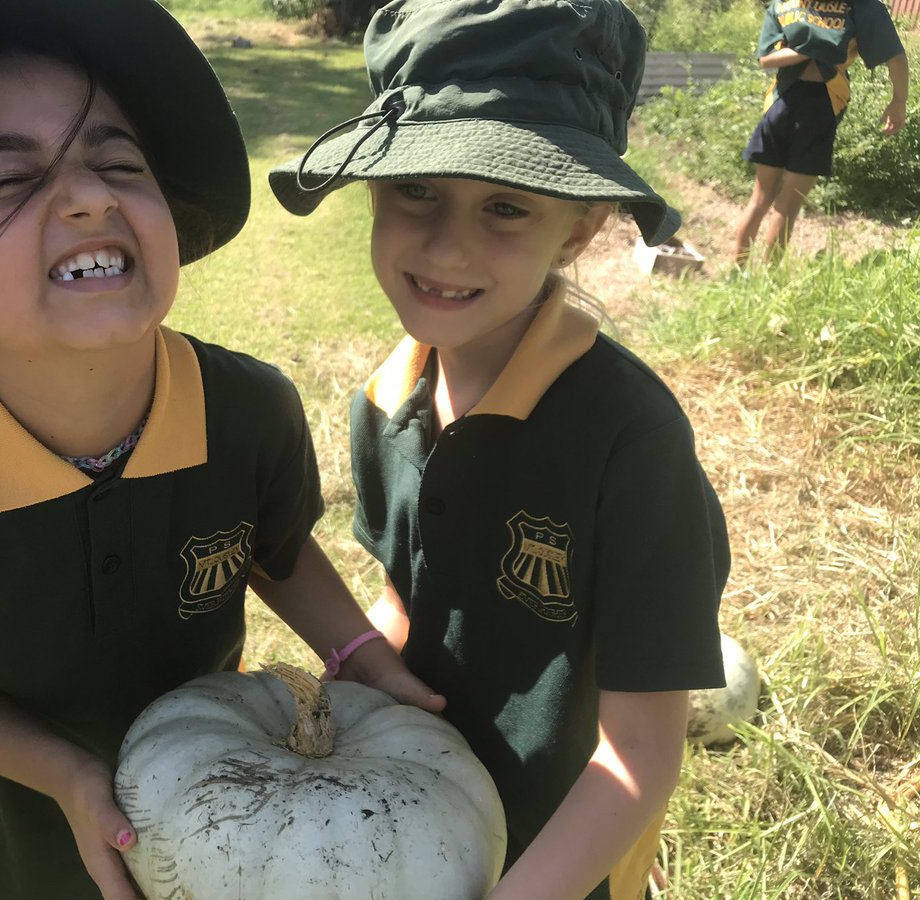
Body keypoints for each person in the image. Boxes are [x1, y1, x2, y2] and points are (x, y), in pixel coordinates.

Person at [0, 1, 443, 897]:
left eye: (118, 161)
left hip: (231, 808)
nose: (90, 195)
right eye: (8, 181)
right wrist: (66, 774)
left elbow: (278, 553)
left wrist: (363, 660)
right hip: (21, 846)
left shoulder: (251, 410)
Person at [269, 1, 730, 897]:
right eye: (417, 191)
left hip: (554, 860)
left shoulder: (632, 445)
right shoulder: (384, 401)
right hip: (403, 836)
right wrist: (351, 697)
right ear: (372, 187)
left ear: (582, 226)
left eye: (506, 207)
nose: (447, 244)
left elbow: (641, 753)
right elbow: (408, 593)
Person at [733, 0, 909, 263]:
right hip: (821, 106)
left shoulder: (783, 5)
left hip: (779, 104)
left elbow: (766, 58)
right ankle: (767, 283)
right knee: (788, 204)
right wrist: (898, 101)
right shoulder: (862, 7)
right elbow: (896, 57)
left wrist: (808, 48)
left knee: (760, 198)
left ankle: (737, 273)